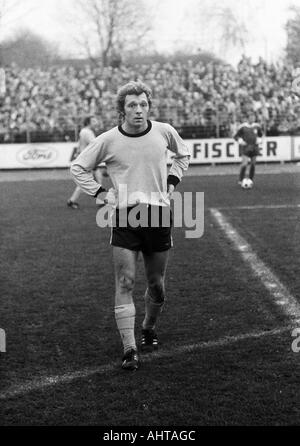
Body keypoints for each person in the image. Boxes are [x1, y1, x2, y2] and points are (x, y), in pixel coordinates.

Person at [70, 81, 190, 371]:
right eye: (132, 105)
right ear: (122, 110)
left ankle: (148, 326)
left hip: (158, 215)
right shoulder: (108, 140)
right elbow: (78, 167)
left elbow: (183, 155)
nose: (139, 110)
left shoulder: (164, 131)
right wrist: (101, 193)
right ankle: (129, 348)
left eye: (143, 104)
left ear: (149, 106)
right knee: (124, 281)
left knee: (156, 285)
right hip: (125, 217)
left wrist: (172, 182)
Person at [67, 116, 108, 209]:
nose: (96, 122)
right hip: (88, 160)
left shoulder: (84, 131)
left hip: (87, 159)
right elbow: (95, 145)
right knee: (87, 182)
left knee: (97, 178)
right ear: (88, 122)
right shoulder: (87, 132)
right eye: (94, 121)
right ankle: (72, 201)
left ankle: (100, 200)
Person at [233, 113, 263, 186]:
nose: (252, 119)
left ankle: (250, 180)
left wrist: (260, 140)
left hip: (254, 147)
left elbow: (261, 135)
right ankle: (241, 179)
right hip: (245, 148)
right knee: (244, 164)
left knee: (253, 164)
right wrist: (240, 141)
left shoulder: (257, 126)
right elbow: (236, 136)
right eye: (251, 117)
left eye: (253, 117)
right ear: (248, 118)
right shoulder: (243, 127)